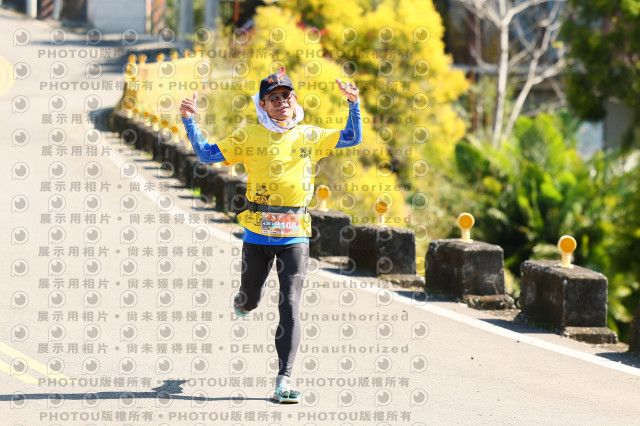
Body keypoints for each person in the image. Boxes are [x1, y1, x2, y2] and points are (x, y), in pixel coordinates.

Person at [179, 67, 362, 403]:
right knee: (249, 300)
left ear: (295, 100)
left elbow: (352, 137)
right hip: (257, 233)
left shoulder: (310, 135)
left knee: (290, 303)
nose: (281, 102)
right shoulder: (249, 136)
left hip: (295, 233)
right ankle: (244, 299)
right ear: (262, 104)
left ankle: (284, 380)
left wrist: (353, 103)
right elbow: (206, 154)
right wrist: (189, 120)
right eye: (273, 98)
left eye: (286, 96)